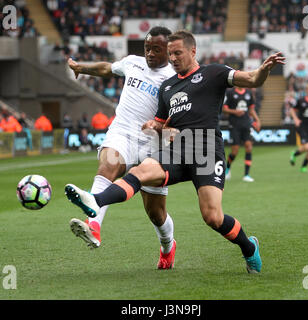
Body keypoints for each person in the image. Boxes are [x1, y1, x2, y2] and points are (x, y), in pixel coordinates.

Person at [65, 30, 285, 273]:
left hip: (206, 149)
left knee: (212, 217)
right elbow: (160, 122)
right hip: (177, 148)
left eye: (177, 53)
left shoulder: (214, 73)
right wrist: (153, 125)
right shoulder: (168, 86)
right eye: (171, 54)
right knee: (141, 171)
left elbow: (253, 79)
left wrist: (264, 69)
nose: (173, 58)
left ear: (193, 51)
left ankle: (249, 247)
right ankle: (95, 201)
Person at [65, 27, 178, 269]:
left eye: (156, 50)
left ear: (169, 51)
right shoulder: (133, 63)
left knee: (156, 214)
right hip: (122, 131)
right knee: (109, 165)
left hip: (153, 142)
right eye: (147, 48)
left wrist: (167, 132)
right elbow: (108, 68)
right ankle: (93, 226)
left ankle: (168, 246)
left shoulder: (174, 79)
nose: (149, 54)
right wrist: (81, 68)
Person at [222, 86, 261, 182]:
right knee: (234, 151)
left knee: (249, 146)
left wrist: (257, 120)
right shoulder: (230, 92)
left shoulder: (248, 93)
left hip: (246, 124)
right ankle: (227, 169)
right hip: (234, 125)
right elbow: (224, 109)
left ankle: (246, 175)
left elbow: (251, 110)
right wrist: (235, 112)